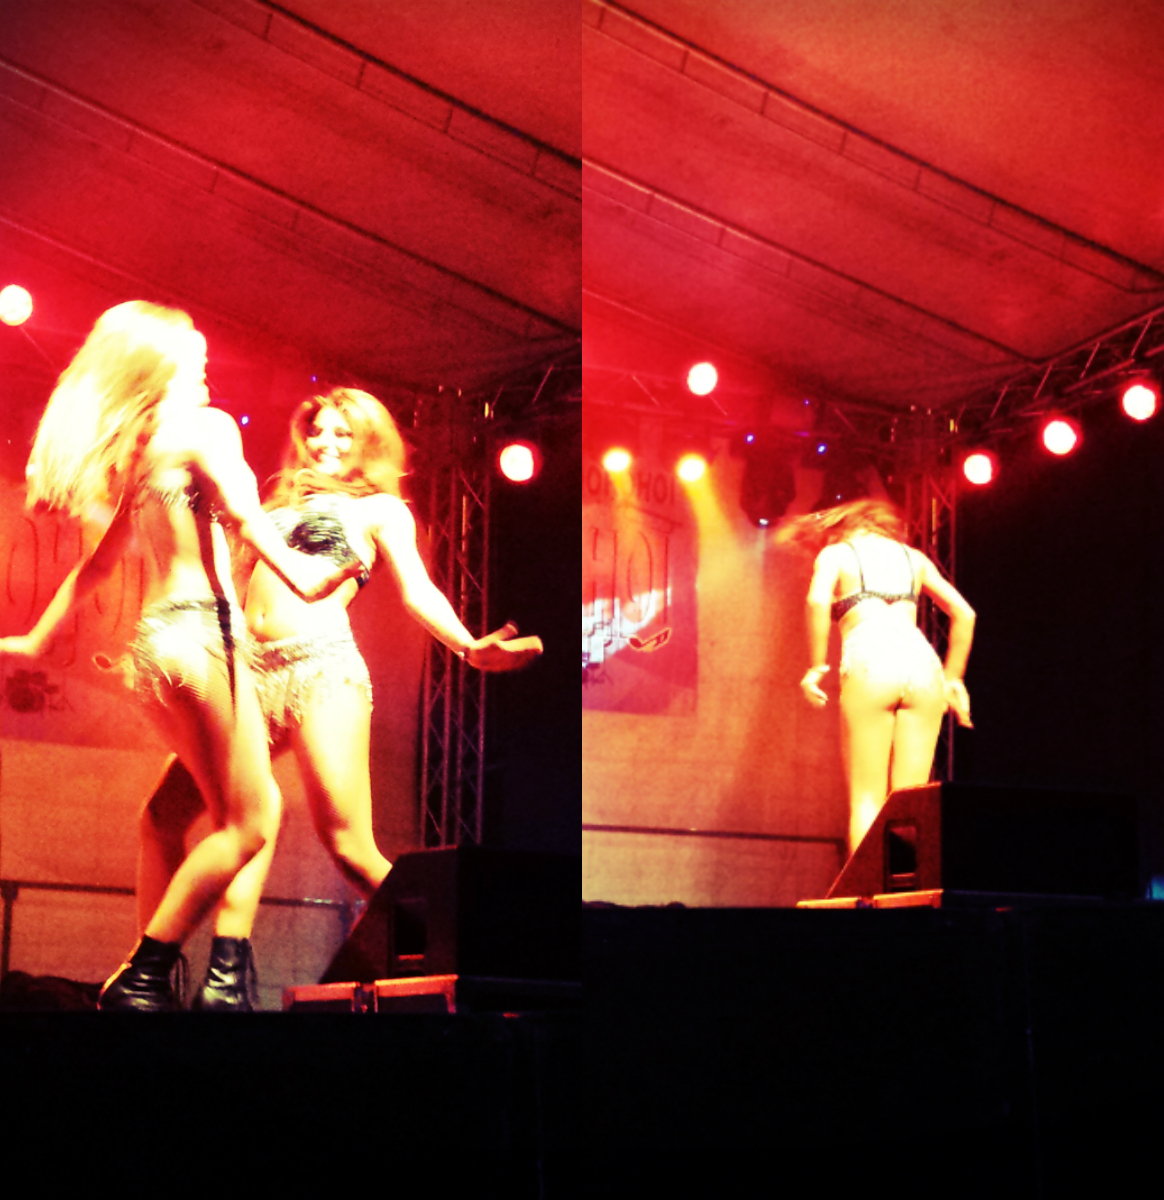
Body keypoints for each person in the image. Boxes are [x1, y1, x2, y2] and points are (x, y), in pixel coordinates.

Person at [0, 301, 355, 1010]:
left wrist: (36, 640)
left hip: (155, 647)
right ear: (161, 366)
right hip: (203, 636)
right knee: (251, 821)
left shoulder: (144, 454)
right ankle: (143, 975)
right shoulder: (208, 428)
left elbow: (100, 565)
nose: (205, 364)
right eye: (194, 355)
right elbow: (245, 516)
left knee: (165, 816)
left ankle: (153, 988)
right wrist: (306, 576)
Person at [139, 386, 541, 1010]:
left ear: (368, 444)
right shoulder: (271, 502)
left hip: (320, 669)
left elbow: (418, 591)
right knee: (183, 812)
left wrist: (466, 646)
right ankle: (214, 977)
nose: (324, 443)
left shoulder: (381, 510)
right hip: (246, 671)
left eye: (342, 434)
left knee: (351, 848)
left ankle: (461, 956)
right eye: (317, 431)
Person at [780, 498, 975, 854]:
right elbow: (965, 613)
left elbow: (817, 601)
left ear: (846, 526)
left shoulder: (837, 554)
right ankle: (909, 885)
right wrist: (954, 677)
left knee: (866, 799)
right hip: (923, 665)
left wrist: (816, 666)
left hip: (871, 660)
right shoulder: (915, 559)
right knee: (909, 801)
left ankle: (866, 888)